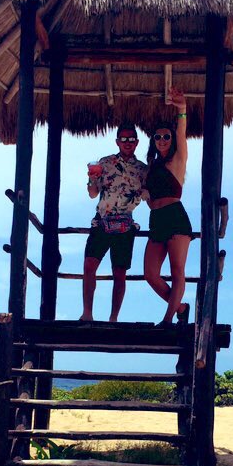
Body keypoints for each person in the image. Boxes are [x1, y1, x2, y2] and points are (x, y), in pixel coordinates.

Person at [81, 122, 148, 322]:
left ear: (136, 142)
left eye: (131, 139)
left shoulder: (142, 170)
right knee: (89, 267)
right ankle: (87, 314)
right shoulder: (105, 163)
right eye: (124, 139)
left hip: (125, 225)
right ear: (117, 141)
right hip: (102, 222)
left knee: (119, 273)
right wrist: (92, 178)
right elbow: (93, 194)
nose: (127, 143)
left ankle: (113, 318)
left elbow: (149, 197)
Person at [143, 88, 193, 325]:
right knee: (150, 274)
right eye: (157, 137)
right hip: (157, 218)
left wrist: (182, 110)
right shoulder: (151, 165)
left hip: (175, 217)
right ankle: (181, 307)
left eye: (166, 136)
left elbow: (182, 134)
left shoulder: (178, 159)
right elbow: (152, 200)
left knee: (177, 271)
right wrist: (147, 197)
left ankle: (167, 318)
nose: (162, 140)